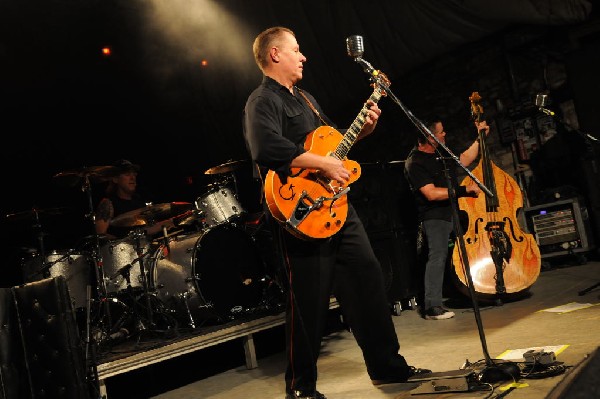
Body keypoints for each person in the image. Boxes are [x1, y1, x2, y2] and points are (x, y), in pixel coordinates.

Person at [242, 26, 431, 399]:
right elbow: (265, 147)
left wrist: (360, 133)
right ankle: (301, 389)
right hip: (300, 215)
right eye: (296, 49)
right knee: (308, 304)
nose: (304, 56)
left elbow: (332, 148)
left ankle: (387, 368)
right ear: (275, 54)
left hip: (337, 209)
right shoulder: (262, 101)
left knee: (368, 283)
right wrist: (323, 165)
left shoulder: (307, 99)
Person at [404, 118, 489, 320]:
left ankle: (473, 292)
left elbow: (465, 159)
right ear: (429, 136)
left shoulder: (442, 153)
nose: (444, 135)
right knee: (438, 257)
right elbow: (431, 194)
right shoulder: (415, 162)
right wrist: (463, 190)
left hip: (453, 212)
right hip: (434, 218)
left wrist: (480, 138)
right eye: (441, 132)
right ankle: (432, 307)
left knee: (464, 254)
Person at [94, 159, 176, 239]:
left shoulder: (140, 201)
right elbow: (100, 236)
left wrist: (169, 222)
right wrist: (118, 241)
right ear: (115, 179)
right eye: (127, 174)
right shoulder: (108, 203)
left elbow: (147, 230)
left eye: (134, 174)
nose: (132, 177)